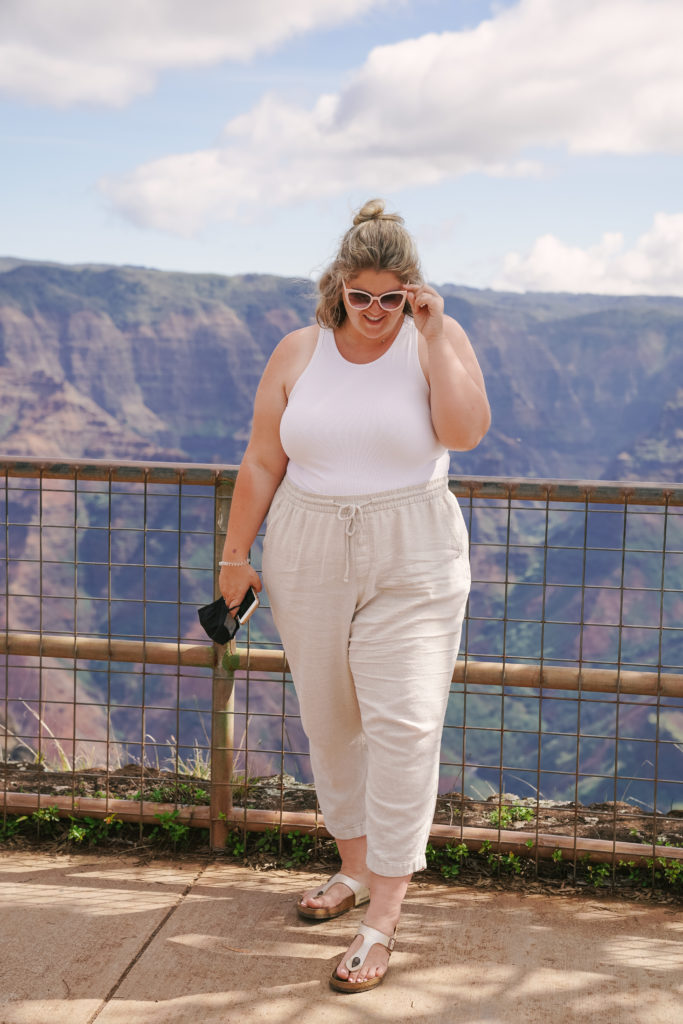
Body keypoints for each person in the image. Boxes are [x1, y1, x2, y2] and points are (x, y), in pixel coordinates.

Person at [218, 198, 490, 993]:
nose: (375, 313)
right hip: (307, 541)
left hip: (413, 547)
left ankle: (383, 918)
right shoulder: (299, 350)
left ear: (414, 291)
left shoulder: (433, 340)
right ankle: (354, 868)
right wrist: (236, 556)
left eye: (392, 298)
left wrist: (434, 336)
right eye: (361, 295)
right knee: (330, 718)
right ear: (338, 285)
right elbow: (263, 460)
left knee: (404, 722)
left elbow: (466, 431)